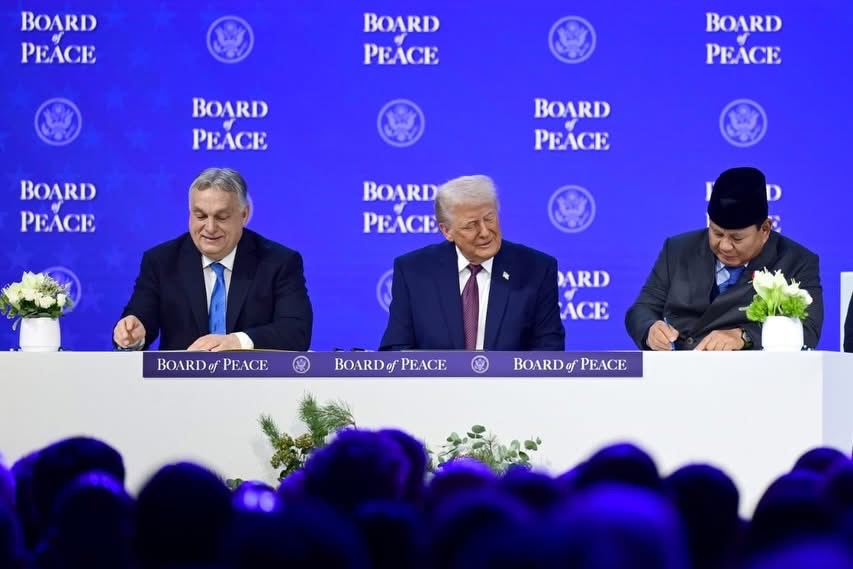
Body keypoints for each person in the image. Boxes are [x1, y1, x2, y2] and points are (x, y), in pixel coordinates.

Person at [113, 167, 312, 351]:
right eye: (200, 216)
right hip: (180, 378)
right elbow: (141, 317)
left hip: (255, 377)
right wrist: (132, 335)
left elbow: (296, 331)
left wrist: (237, 342)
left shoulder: (279, 262)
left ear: (244, 215)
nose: (210, 228)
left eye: (221, 217)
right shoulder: (161, 261)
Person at [625, 167, 823, 351]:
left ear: (765, 229)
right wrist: (650, 329)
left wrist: (744, 336)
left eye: (737, 238)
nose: (725, 246)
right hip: (679, 367)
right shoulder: (678, 249)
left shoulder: (796, 261)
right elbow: (643, 309)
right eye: (717, 233)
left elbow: (808, 329)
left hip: (750, 372)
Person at [379, 175, 565, 351]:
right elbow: (396, 350)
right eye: (471, 225)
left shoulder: (536, 269)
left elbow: (549, 352)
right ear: (447, 231)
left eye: (489, 218)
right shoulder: (413, 271)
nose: (485, 232)